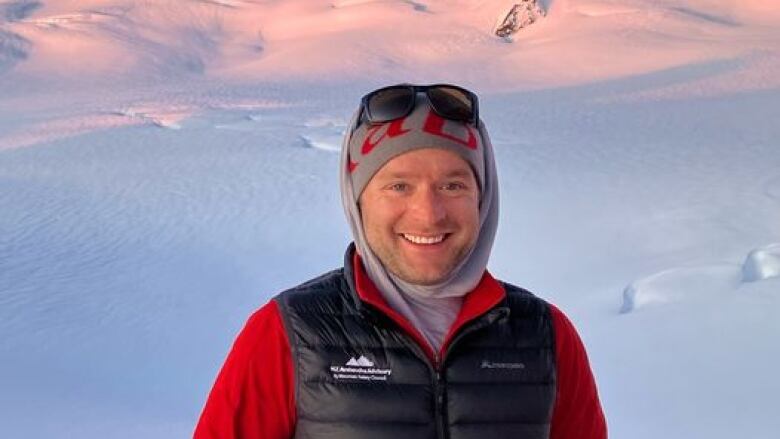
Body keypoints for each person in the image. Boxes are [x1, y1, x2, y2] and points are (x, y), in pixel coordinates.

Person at [194, 84, 607, 439]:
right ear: (358, 200)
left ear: (482, 198)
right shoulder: (287, 333)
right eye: (399, 186)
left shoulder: (546, 336)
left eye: (452, 184)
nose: (428, 214)